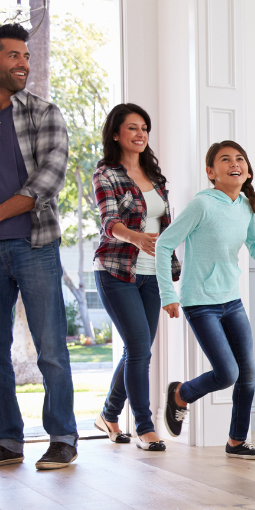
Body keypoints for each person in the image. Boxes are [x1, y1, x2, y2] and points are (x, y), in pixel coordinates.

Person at [0, 23, 78, 471]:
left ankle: (62, 437)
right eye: (14, 56)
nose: (24, 63)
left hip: (35, 244)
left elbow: (49, 179)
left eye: (26, 56)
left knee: (51, 348)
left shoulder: (45, 113)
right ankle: (6, 439)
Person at [156, 140, 255, 458]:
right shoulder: (202, 205)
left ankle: (237, 441)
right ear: (211, 172)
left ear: (247, 171)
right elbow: (164, 244)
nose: (234, 163)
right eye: (225, 159)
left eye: (239, 158)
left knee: (248, 374)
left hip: (231, 300)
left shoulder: (245, 206)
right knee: (227, 374)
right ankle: (181, 394)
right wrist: (168, 294)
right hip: (200, 302)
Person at [92, 103, 180, 451]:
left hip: (152, 275)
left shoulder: (155, 177)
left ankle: (108, 415)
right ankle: (145, 427)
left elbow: (166, 226)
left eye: (144, 128)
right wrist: (136, 238)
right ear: (116, 134)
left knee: (137, 350)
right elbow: (109, 222)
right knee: (140, 350)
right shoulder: (106, 174)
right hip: (117, 271)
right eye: (132, 127)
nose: (140, 133)